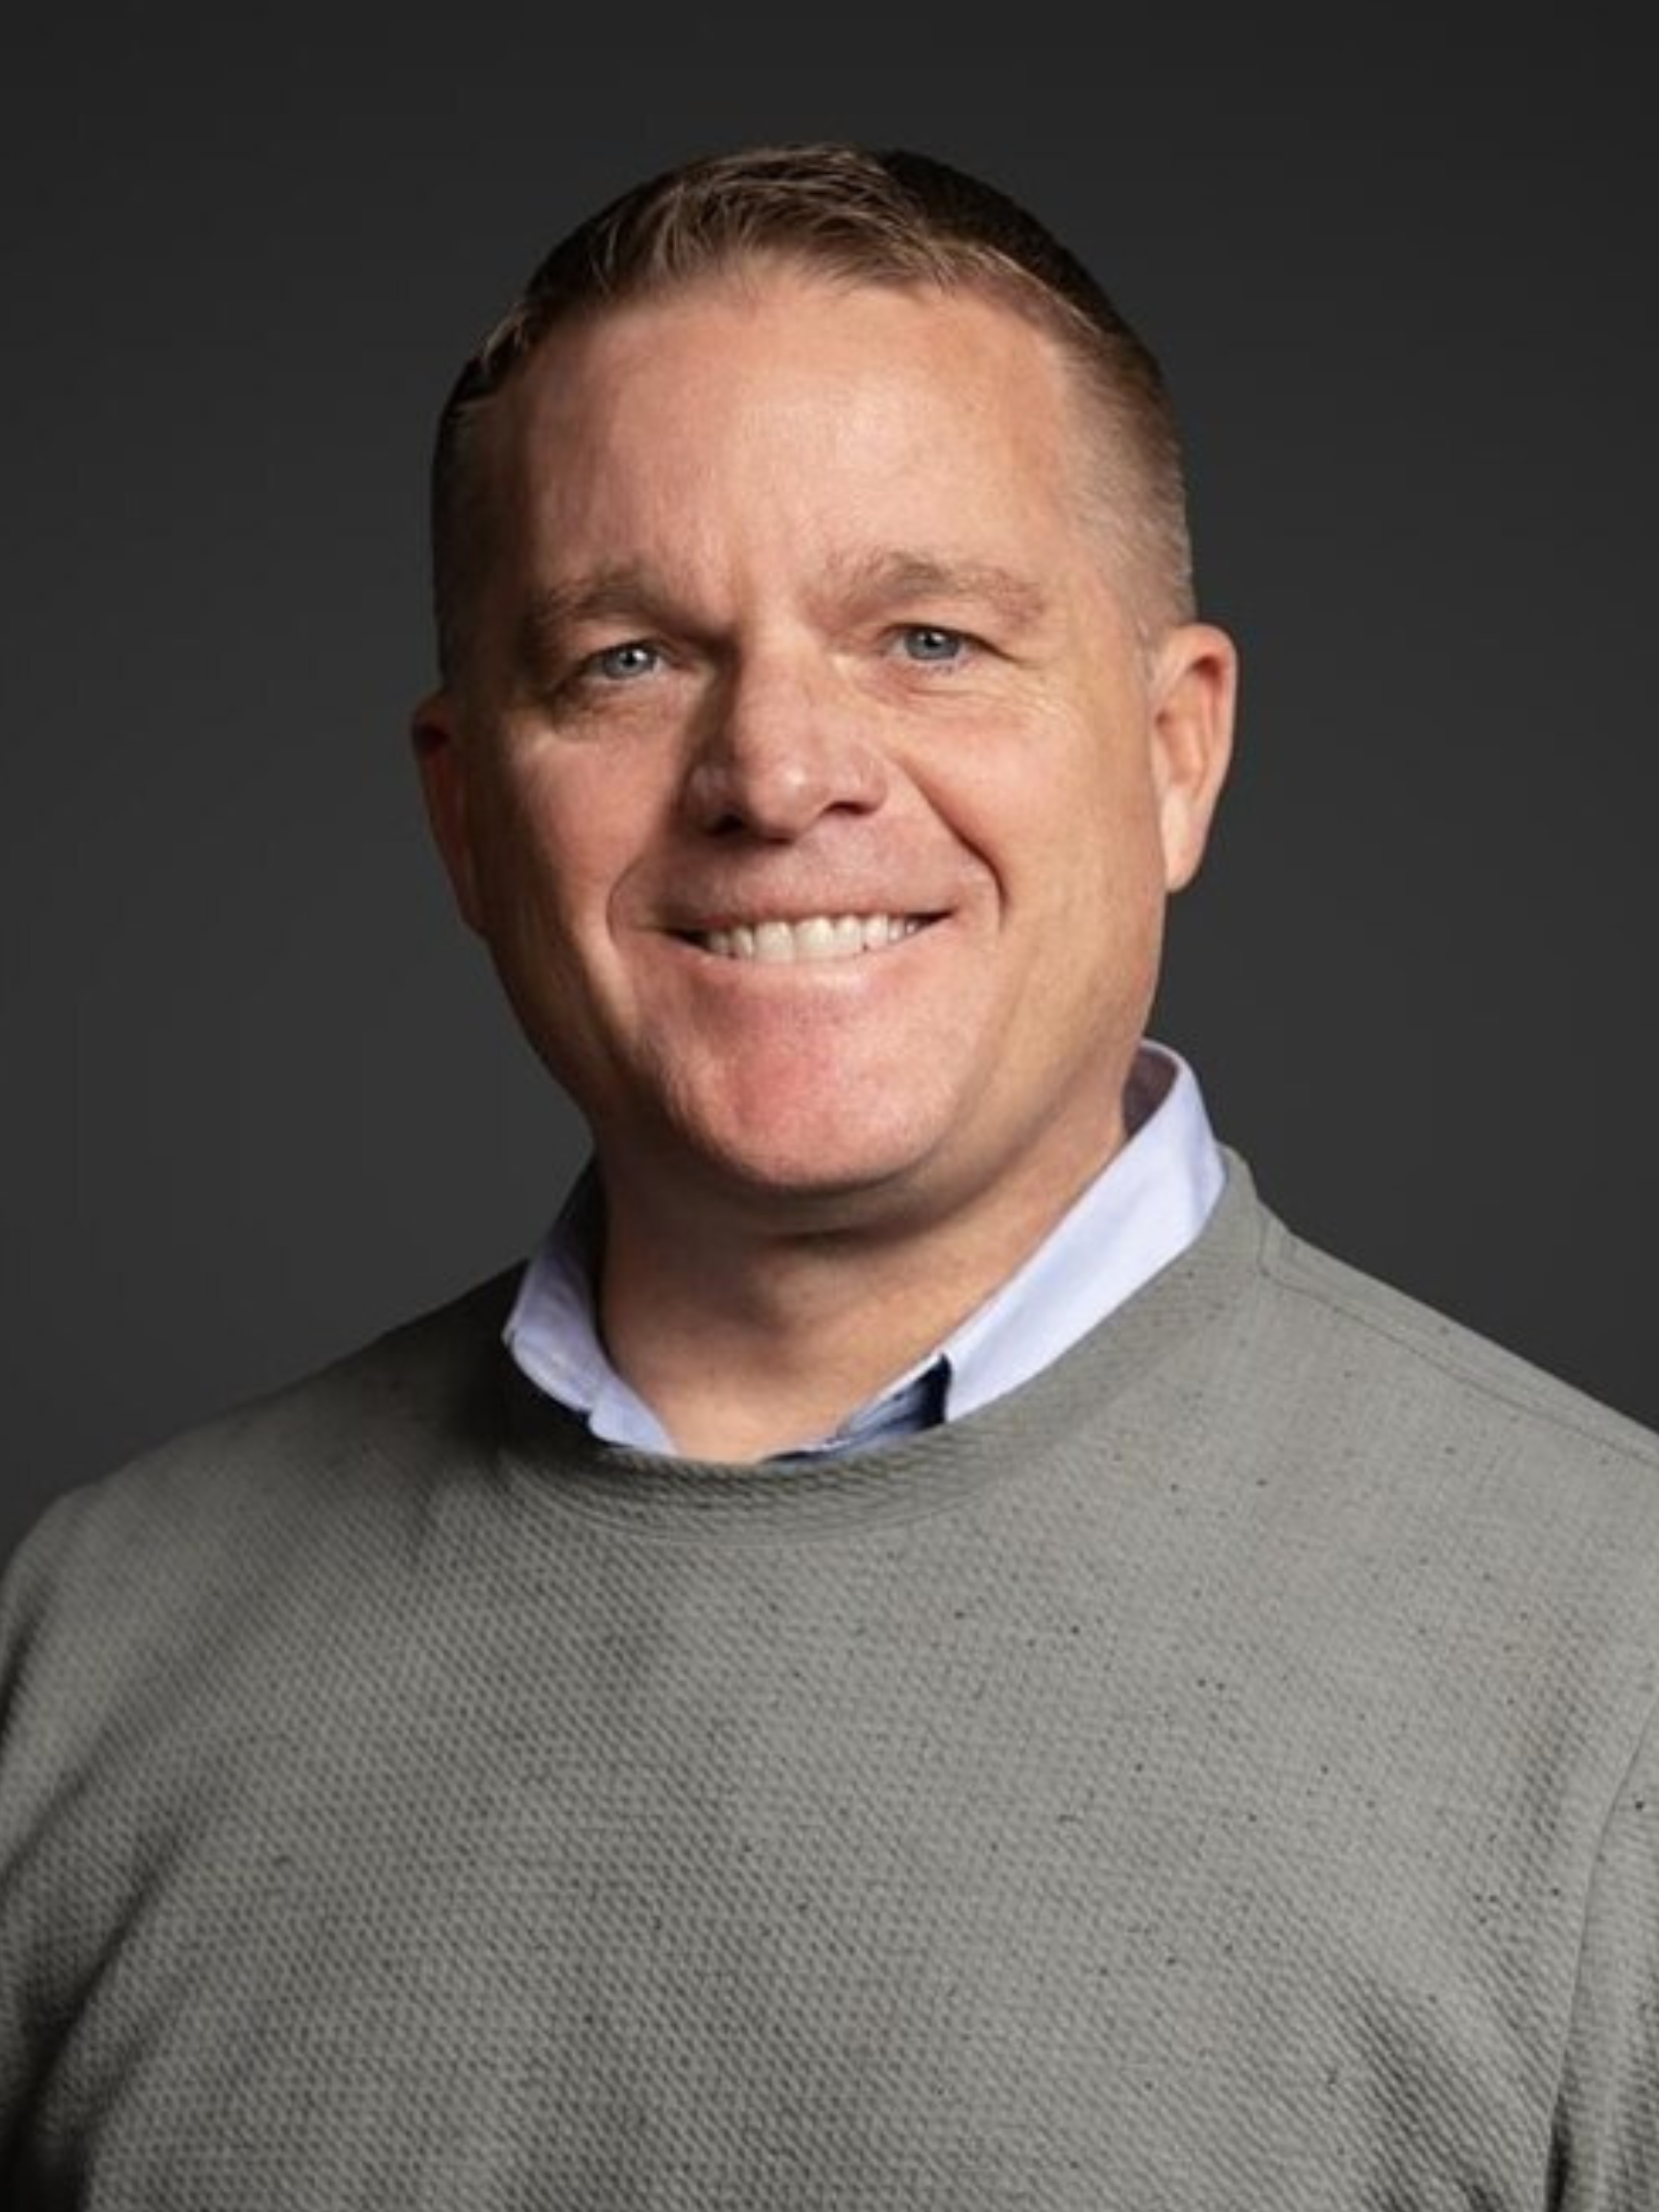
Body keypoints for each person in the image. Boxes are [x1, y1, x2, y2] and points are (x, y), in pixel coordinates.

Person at [2, 142, 1655, 2208]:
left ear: (1177, 751)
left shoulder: (1616, 1683)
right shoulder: (83, 1648)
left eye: (929, 638)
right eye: (626, 659)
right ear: (463, 816)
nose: (777, 776)